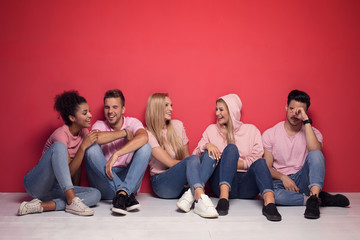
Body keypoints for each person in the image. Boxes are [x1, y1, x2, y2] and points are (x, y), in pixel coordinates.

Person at [262, 89, 349, 219]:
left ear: (305, 113)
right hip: (281, 182)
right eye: (291, 108)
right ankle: (317, 199)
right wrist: (283, 177)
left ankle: (313, 199)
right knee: (270, 195)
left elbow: (316, 153)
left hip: (303, 179)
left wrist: (306, 121)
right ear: (286, 107)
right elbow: (267, 167)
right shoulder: (270, 134)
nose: (294, 114)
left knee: (316, 154)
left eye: (299, 111)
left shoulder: (313, 133)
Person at [193, 94, 282, 221]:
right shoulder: (211, 130)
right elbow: (195, 155)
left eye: (221, 109)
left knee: (261, 162)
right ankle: (224, 200)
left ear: (232, 111)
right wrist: (207, 145)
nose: (217, 113)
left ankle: (269, 203)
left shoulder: (251, 130)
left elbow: (256, 158)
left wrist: (230, 163)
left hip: (247, 185)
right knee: (231, 149)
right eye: (216, 109)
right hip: (219, 183)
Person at [19, 91, 101, 216]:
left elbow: (75, 168)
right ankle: (72, 200)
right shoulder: (61, 134)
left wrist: (125, 133)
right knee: (59, 147)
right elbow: (68, 171)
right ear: (72, 118)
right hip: (36, 183)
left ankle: (41, 206)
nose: (90, 115)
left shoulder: (83, 132)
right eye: (85, 113)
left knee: (96, 194)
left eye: (89, 111)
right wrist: (83, 147)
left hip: (56, 188)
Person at [145, 93, 218, 218]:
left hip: (183, 185)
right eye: (166, 105)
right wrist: (189, 172)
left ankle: (190, 195)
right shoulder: (147, 133)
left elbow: (186, 157)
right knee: (193, 159)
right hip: (162, 184)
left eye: (171, 105)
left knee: (209, 154)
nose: (171, 109)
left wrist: (207, 146)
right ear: (156, 108)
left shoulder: (178, 125)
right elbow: (170, 163)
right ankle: (200, 197)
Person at [84, 89, 152, 215]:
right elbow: (96, 138)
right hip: (104, 181)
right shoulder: (99, 125)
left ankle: (122, 193)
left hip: (128, 180)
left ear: (123, 109)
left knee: (146, 148)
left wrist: (117, 154)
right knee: (90, 148)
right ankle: (124, 194)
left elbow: (144, 137)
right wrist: (123, 133)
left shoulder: (132, 122)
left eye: (115, 107)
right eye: (107, 107)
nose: (110, 111)